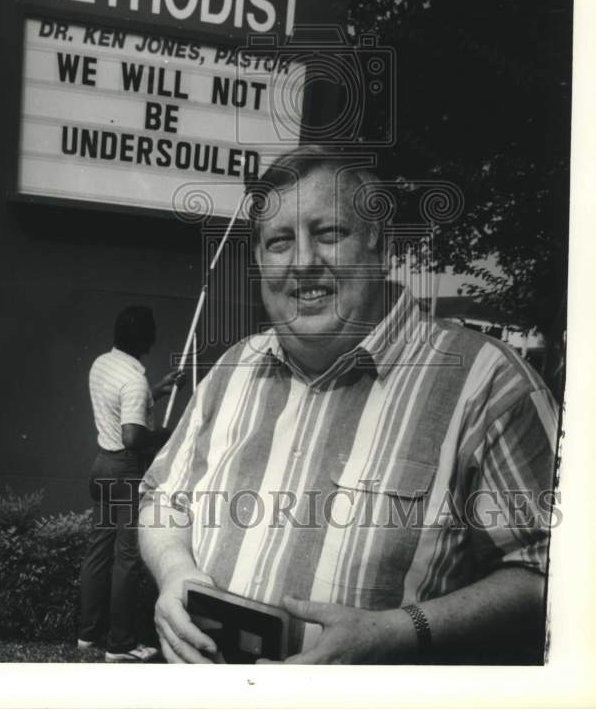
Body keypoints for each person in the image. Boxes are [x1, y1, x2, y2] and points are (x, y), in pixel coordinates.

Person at [138, 146, 559, 664]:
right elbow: (164, 497)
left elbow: (548, 571)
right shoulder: (231, 370)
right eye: (279, 242)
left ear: (378, 245)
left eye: (329, 233)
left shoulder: (490, 384)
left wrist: (402, 631)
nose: (303, 263)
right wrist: (175, 573)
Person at [78, 305, 175, 662]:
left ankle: (88, 637)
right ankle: (120, 645)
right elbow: (133, 436)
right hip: (124, 470)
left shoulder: (103, 364)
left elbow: (123, 402)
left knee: (98, 552)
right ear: (146, 338)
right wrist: (163, 434)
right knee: (128, 558)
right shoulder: (133, 380)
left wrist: (157, 391)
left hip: (102, 466)